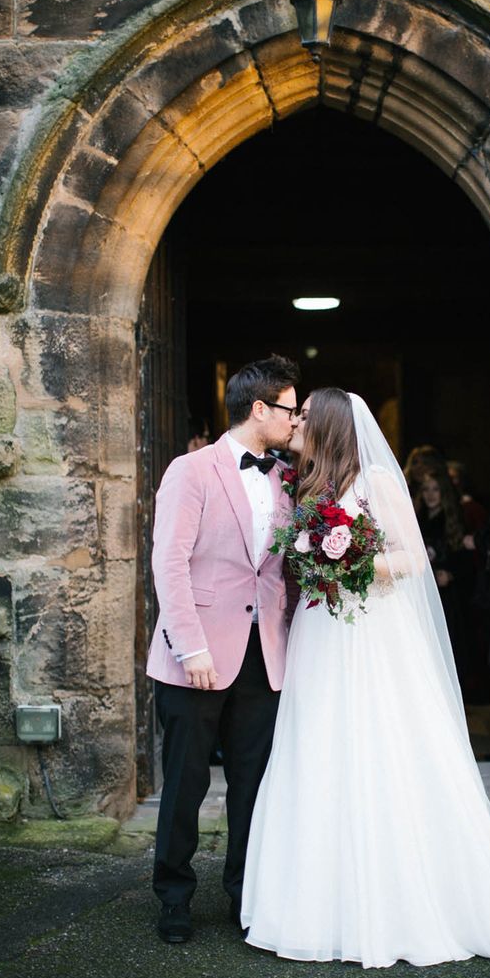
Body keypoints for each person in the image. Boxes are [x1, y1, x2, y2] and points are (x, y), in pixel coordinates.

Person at [242, 388, 490, 968]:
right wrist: (318, 558)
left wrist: (351, 564)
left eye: (305, 416)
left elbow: (413, 557)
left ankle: (398, 897)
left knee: (381, 745)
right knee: (319, 748)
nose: (295, 423)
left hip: (369, 633)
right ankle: (317, 902)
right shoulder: (306, 484)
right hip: (321, 634)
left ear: (330, 426)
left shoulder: (376, 481)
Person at [146, 354, 300, 943]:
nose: (295, 419)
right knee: (186, 782)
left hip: (266, 655)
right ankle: (174, 897)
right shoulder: (191, 470)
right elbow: (170, 564)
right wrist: (191, 649)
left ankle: (245, 894)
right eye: (289, 408)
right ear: (258, 408)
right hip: (198, 656)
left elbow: (282, 571)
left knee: (253, 783)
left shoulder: (287, 476)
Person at [414, 467, 475, 682]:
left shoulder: (452, 520)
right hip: (420, 589)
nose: (430, 494)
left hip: (447, 593)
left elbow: (464, 559)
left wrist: (451, 574)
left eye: (435, 490)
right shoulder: (415, 519)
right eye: (426, 489)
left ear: (444, 493)